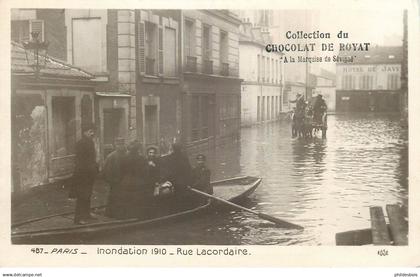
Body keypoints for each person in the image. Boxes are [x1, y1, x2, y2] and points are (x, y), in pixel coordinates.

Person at [73, 123, 98, 225]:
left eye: (93, 131)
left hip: (89, 173)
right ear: (85, 132)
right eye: (90, 131)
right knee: (82, 195)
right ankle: (78, 218)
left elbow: (91, 158)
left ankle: (87, 214)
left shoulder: (90, 142)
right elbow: (80, 160)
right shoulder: (81, 143)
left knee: (88, 194)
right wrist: (88, 168)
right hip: (82, 174)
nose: (92, 133)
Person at [164, 142, 194, 211]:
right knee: (180, 197)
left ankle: (179, 210)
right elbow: (188, 170)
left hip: (177, 182)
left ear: (174, 149)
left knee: (178, 197)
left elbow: (188, 170)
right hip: (179, 182)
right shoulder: (183, 157)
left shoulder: (172, 158)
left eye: (172, 149)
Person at [103, 138, 127, 218]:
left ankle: (121, 214)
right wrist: (111, 180)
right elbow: (106, 170)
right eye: (118, 144)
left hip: (125, 181)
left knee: (123, 198)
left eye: (122, 144)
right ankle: (111, 214)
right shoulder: (111, 156)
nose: (121, 146)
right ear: (115, 145)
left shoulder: (127, 154)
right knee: (113, 197)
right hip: (115, 181)